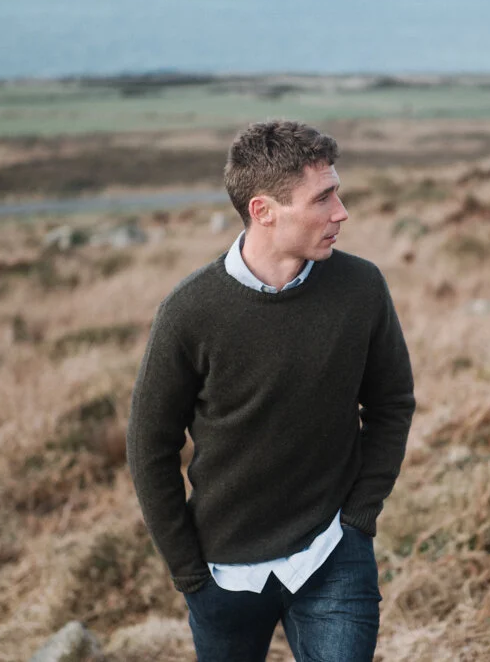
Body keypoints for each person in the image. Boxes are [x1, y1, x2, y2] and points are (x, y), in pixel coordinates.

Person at [126, 120, 416, 661]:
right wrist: (189, 573)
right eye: (323, 197)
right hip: (223, 574)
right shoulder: (189, 312)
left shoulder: (361, 287)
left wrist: (359, 518)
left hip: (333, 553)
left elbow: (392, 403)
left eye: (338, 192)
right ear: (263, 210)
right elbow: (150, 447)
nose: (341, 211)